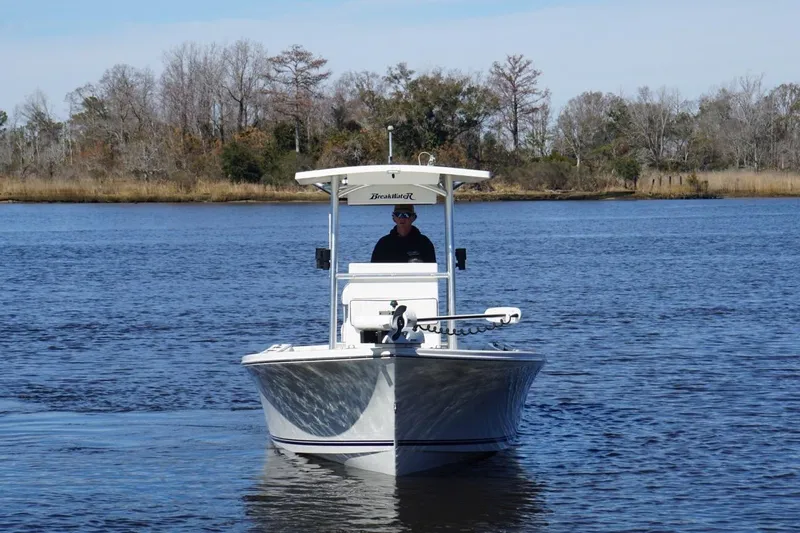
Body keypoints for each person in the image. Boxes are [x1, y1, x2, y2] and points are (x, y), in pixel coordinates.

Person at [371, 204, 436, 263]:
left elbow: (432, 271)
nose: (402, 218)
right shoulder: (383, 243)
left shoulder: (424, 243)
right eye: (398, 214)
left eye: (406, 214)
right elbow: (373, 270)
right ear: (393, 218)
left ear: (413, 218)